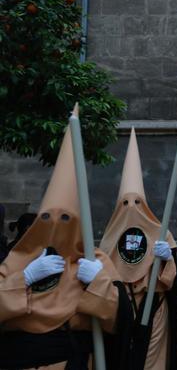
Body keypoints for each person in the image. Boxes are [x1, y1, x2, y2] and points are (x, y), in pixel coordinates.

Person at [0, 107, 129, 368]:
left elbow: (121, 319)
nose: (57, 226)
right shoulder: (17, 260)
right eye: (48, 218)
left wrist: (98, 284)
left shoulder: (96, 260)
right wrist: (22, 278)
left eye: (66, 219)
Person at [99, 128, 177, 370]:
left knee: (152, 360)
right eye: (126, 203)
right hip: (121, 309)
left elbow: (170, 281)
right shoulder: (110, 237)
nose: (132, 207)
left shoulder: (161, 233)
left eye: (137, 202)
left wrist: (168, 259)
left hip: (153, 307)